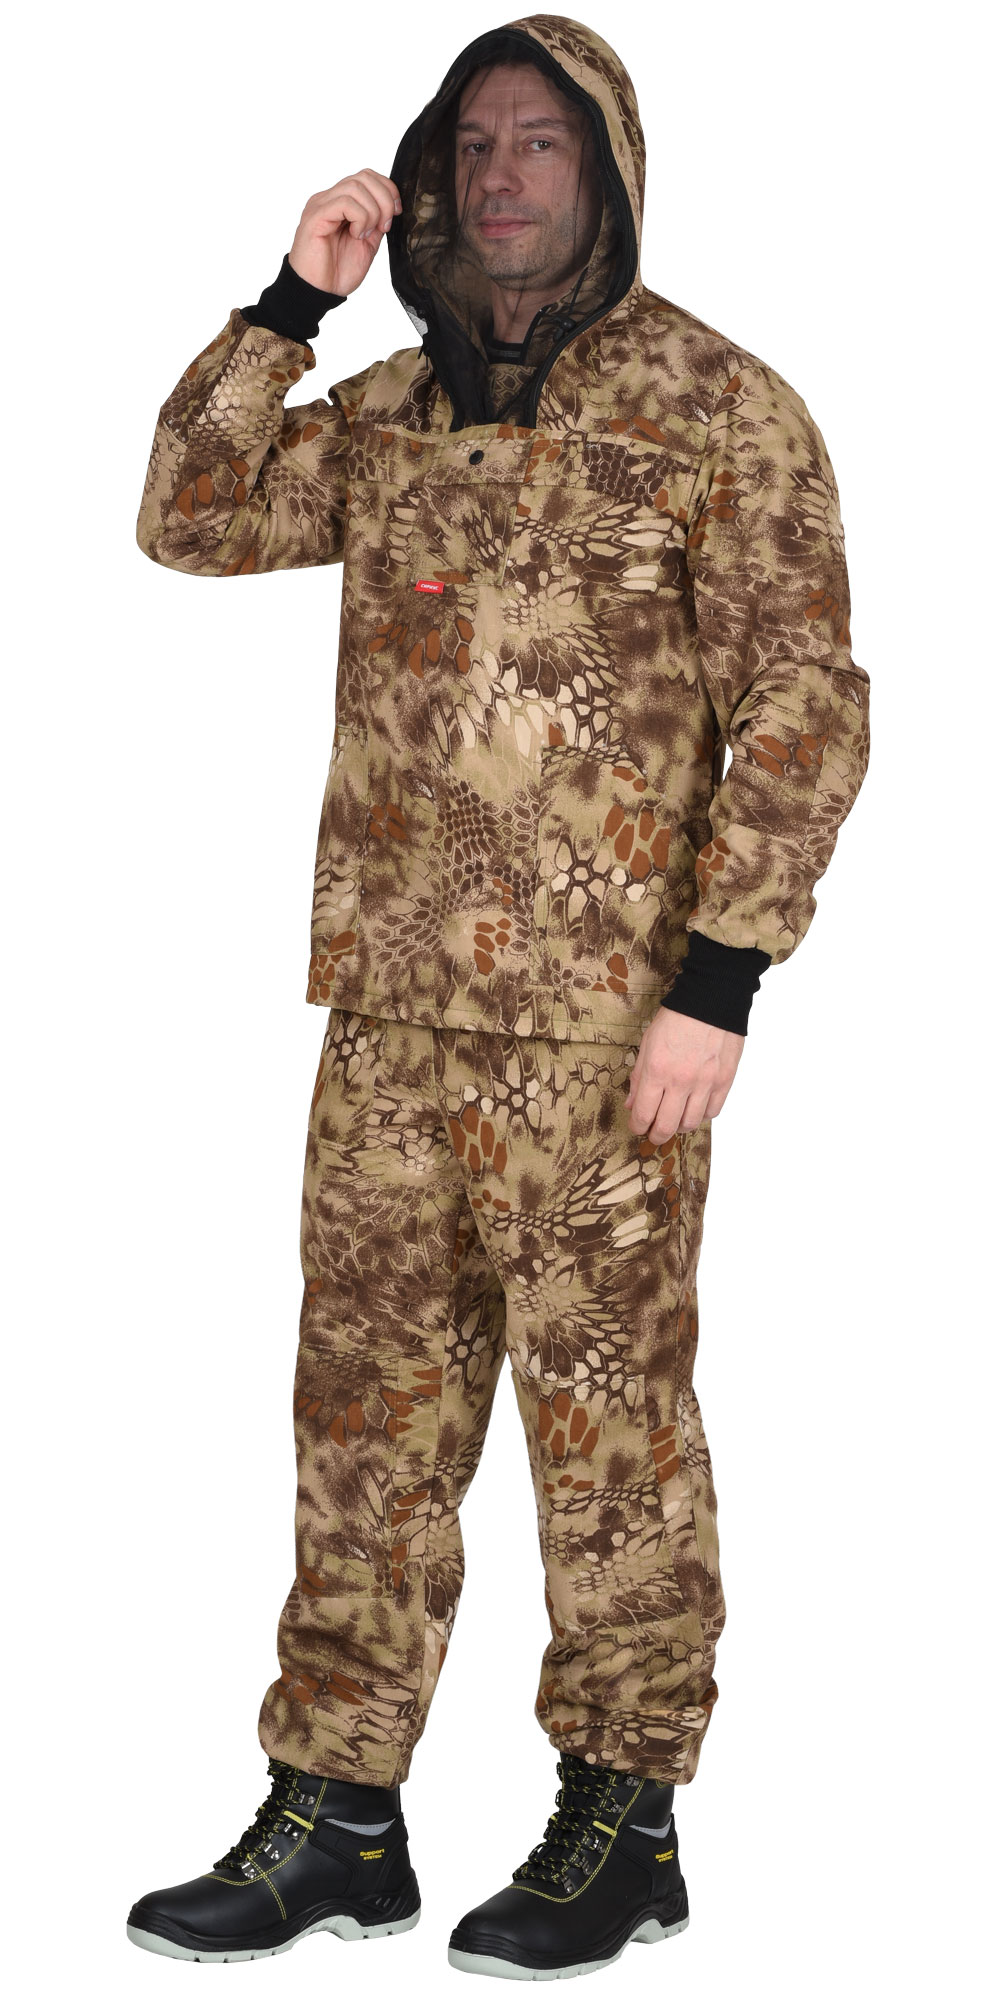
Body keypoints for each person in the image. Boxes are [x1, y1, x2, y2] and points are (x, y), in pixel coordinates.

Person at [129, 11, 870, 1979]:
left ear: (604, 171)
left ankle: (623, 1816)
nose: (501, 171)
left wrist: (720, 979)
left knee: (606, 1423)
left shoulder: (718, 406)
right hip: (386, 1014)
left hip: (606, 1033)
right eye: (472, 141)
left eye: (542, 140)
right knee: (363, 1411)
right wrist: (290, 302)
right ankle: (337, 1809)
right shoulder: (394, 412)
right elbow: (190, 515)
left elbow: (804, 705)